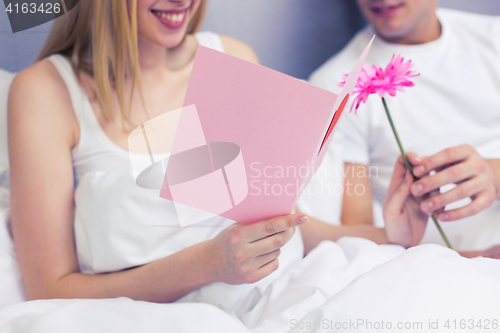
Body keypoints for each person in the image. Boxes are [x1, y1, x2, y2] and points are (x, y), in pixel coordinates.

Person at [8, 0, 310, 311]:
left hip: (279, 301)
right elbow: (49, 290)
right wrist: (205, 265)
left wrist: (361, 234)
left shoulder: (233, 59)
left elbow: (285, 220)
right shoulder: (45, 92)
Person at [308, 0, 500, 253]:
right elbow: (358, 234)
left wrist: (494, 176)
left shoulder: (492, 38)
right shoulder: (337, 87)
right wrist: (471, 260)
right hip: (448, 266)